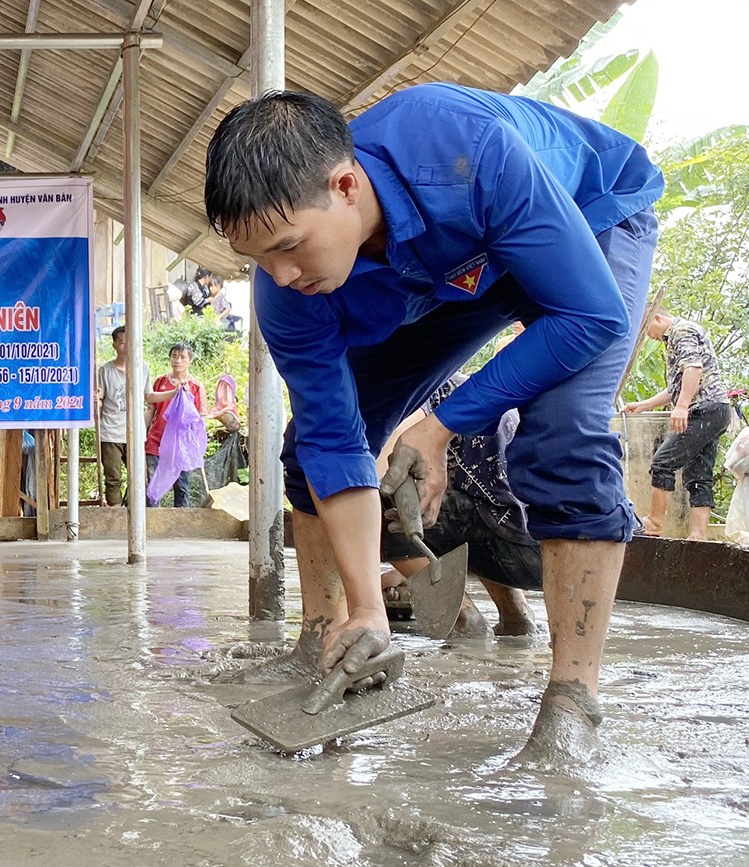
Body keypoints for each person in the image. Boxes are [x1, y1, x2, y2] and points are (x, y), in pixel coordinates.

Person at [204, 82, 662, 762]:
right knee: (308, 447)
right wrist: (369, 603)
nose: (280, 272)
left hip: (584, 221)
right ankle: (330, 634)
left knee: (563, 433)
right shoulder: (287, 287)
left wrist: (440, 424)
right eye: (260, 257)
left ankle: (572, 703)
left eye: (291, 245)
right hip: (444, 274)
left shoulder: (464, 148)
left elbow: (590, 316)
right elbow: (336, 440)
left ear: (346, 184)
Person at [379, 375, 540, 637]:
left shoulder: (416, 394)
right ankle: (517, 617)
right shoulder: (467, 386)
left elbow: (381, 471)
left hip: (513, 545)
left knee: (373, 498)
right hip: (547, 545)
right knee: (476, 498)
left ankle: (463, 618)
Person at [623, 309, 733, 540]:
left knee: (663, 462)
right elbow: (679, 384)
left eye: (647, 330)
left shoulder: (681, 331)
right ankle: (698, 534)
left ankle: (654, 523)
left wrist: (682, 407)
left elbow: (693, 368)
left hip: (704, 409)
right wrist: (644, 405)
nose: (648, 336)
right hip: (716, 410)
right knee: (699, 474)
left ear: (657, 318)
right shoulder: (679, 335)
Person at [145, 343, 205, 507]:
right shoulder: (160, 382)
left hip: (182, 446)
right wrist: (142, 433)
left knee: (181, 486)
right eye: (174, 356)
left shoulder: (196, 386)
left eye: (182, 357)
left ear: (190, 361)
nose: (178, 360)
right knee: (152, 482)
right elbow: (151, 408)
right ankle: (151, 522)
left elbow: (200, 418)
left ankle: (181, 523)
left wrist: (196, 445)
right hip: (156, 440)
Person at [96, 326, 130, 506]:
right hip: (110, 433)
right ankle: (116, 515)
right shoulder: (105, 371)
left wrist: (173, 393)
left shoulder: (142, 368)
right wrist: (96, 403)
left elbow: (148, 398)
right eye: (123, 342)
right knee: (113, 478)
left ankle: (134, 513)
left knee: (141, 478)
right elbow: (99, 399)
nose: (127, 346)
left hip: (133, 433)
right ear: (115, 345)